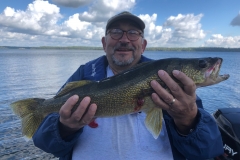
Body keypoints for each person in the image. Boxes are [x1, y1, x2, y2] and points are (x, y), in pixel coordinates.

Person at [33, 11, 224, 160]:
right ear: (104, 43)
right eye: (115, 32)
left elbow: (206, 149)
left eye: (133, 33)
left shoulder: (170, 81)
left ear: (143, 45)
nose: (124, 39)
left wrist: (189, 118)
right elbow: (44, 141)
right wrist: (65, 127)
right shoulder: (84, 75)